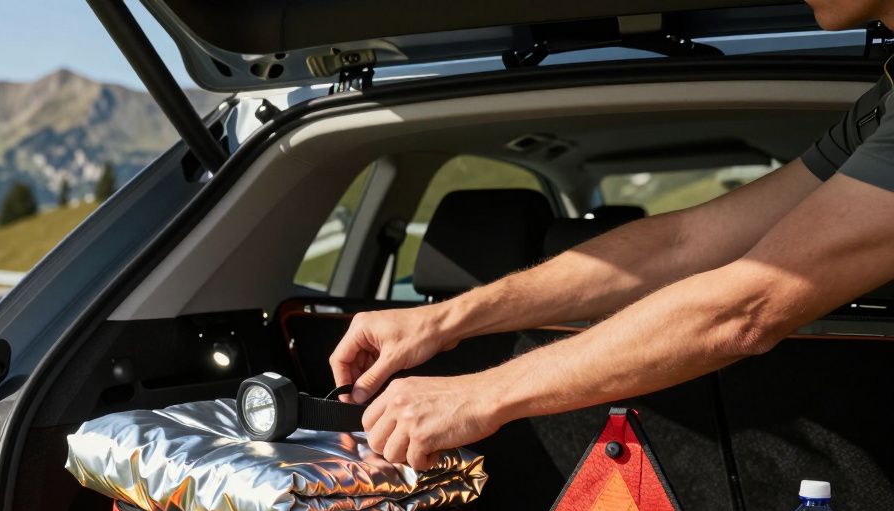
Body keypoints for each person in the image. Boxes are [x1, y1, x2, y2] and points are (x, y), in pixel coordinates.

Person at [330, 0, 894, 471]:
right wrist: (443, 319)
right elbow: (683, 241)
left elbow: (749, 305)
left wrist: (481, 394)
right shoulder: (881, 108)